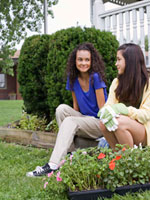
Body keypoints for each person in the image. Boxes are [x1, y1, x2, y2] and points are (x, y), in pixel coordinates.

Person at [27, 42, 107, 177]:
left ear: (92, 61)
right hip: (84, 119)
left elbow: (103, 110)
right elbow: (76, 107)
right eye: (80, 59)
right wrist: (76, 122)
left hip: (98, 123)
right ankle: (70, 155)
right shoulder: (73, 78)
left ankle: (53, 164)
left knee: (70, 120)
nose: (83, 63)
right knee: (61, 109)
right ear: (74, 61)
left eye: (87, 60)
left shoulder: (96, 78)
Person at [98, 43, 150, 151]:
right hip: (123, 126)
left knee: (119, 122)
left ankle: (130, 162)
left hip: (144, 131)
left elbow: (145, 115)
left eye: (119, 59)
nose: (116, 63)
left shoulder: (148, 84)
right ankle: (118, 158)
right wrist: (105, 111)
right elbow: (109, 105)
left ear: (130, 61)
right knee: (103, 123)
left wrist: (124, 110)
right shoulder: (117, 82)